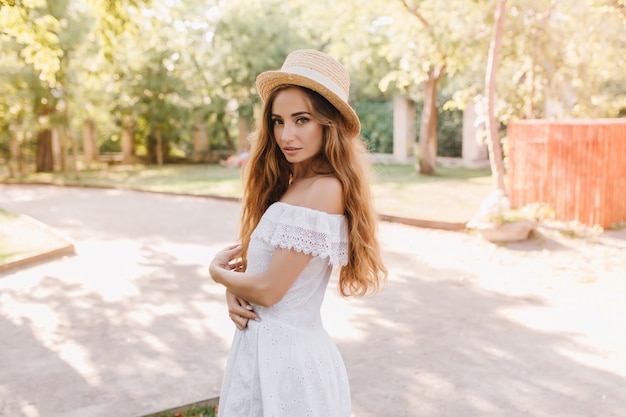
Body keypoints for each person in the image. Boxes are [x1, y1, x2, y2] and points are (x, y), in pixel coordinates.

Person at [209, 49, 388, 417]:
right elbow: (264, 275)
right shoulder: (293, 185)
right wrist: (233, 289)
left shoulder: (325, 189)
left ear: (328, 123)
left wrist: (216, 273)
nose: (286, 135)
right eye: (278, 121)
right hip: (263, 352)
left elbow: (271, 291)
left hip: (289, 364)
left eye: (301, 120)